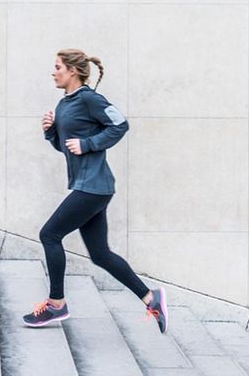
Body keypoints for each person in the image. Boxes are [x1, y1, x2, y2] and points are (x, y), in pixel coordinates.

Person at [22, 49, 168, 333]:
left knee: (49, 234)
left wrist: (89, 144)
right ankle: (151, 298)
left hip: (93, 186)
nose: (53, 72)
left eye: (57, 67)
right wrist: (51, 132)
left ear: (72, 71)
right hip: (89, 187)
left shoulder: (89, 99)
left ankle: (56, 304)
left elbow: (121, 124)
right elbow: (66, 147)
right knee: (100, 254)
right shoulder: (65, 104)